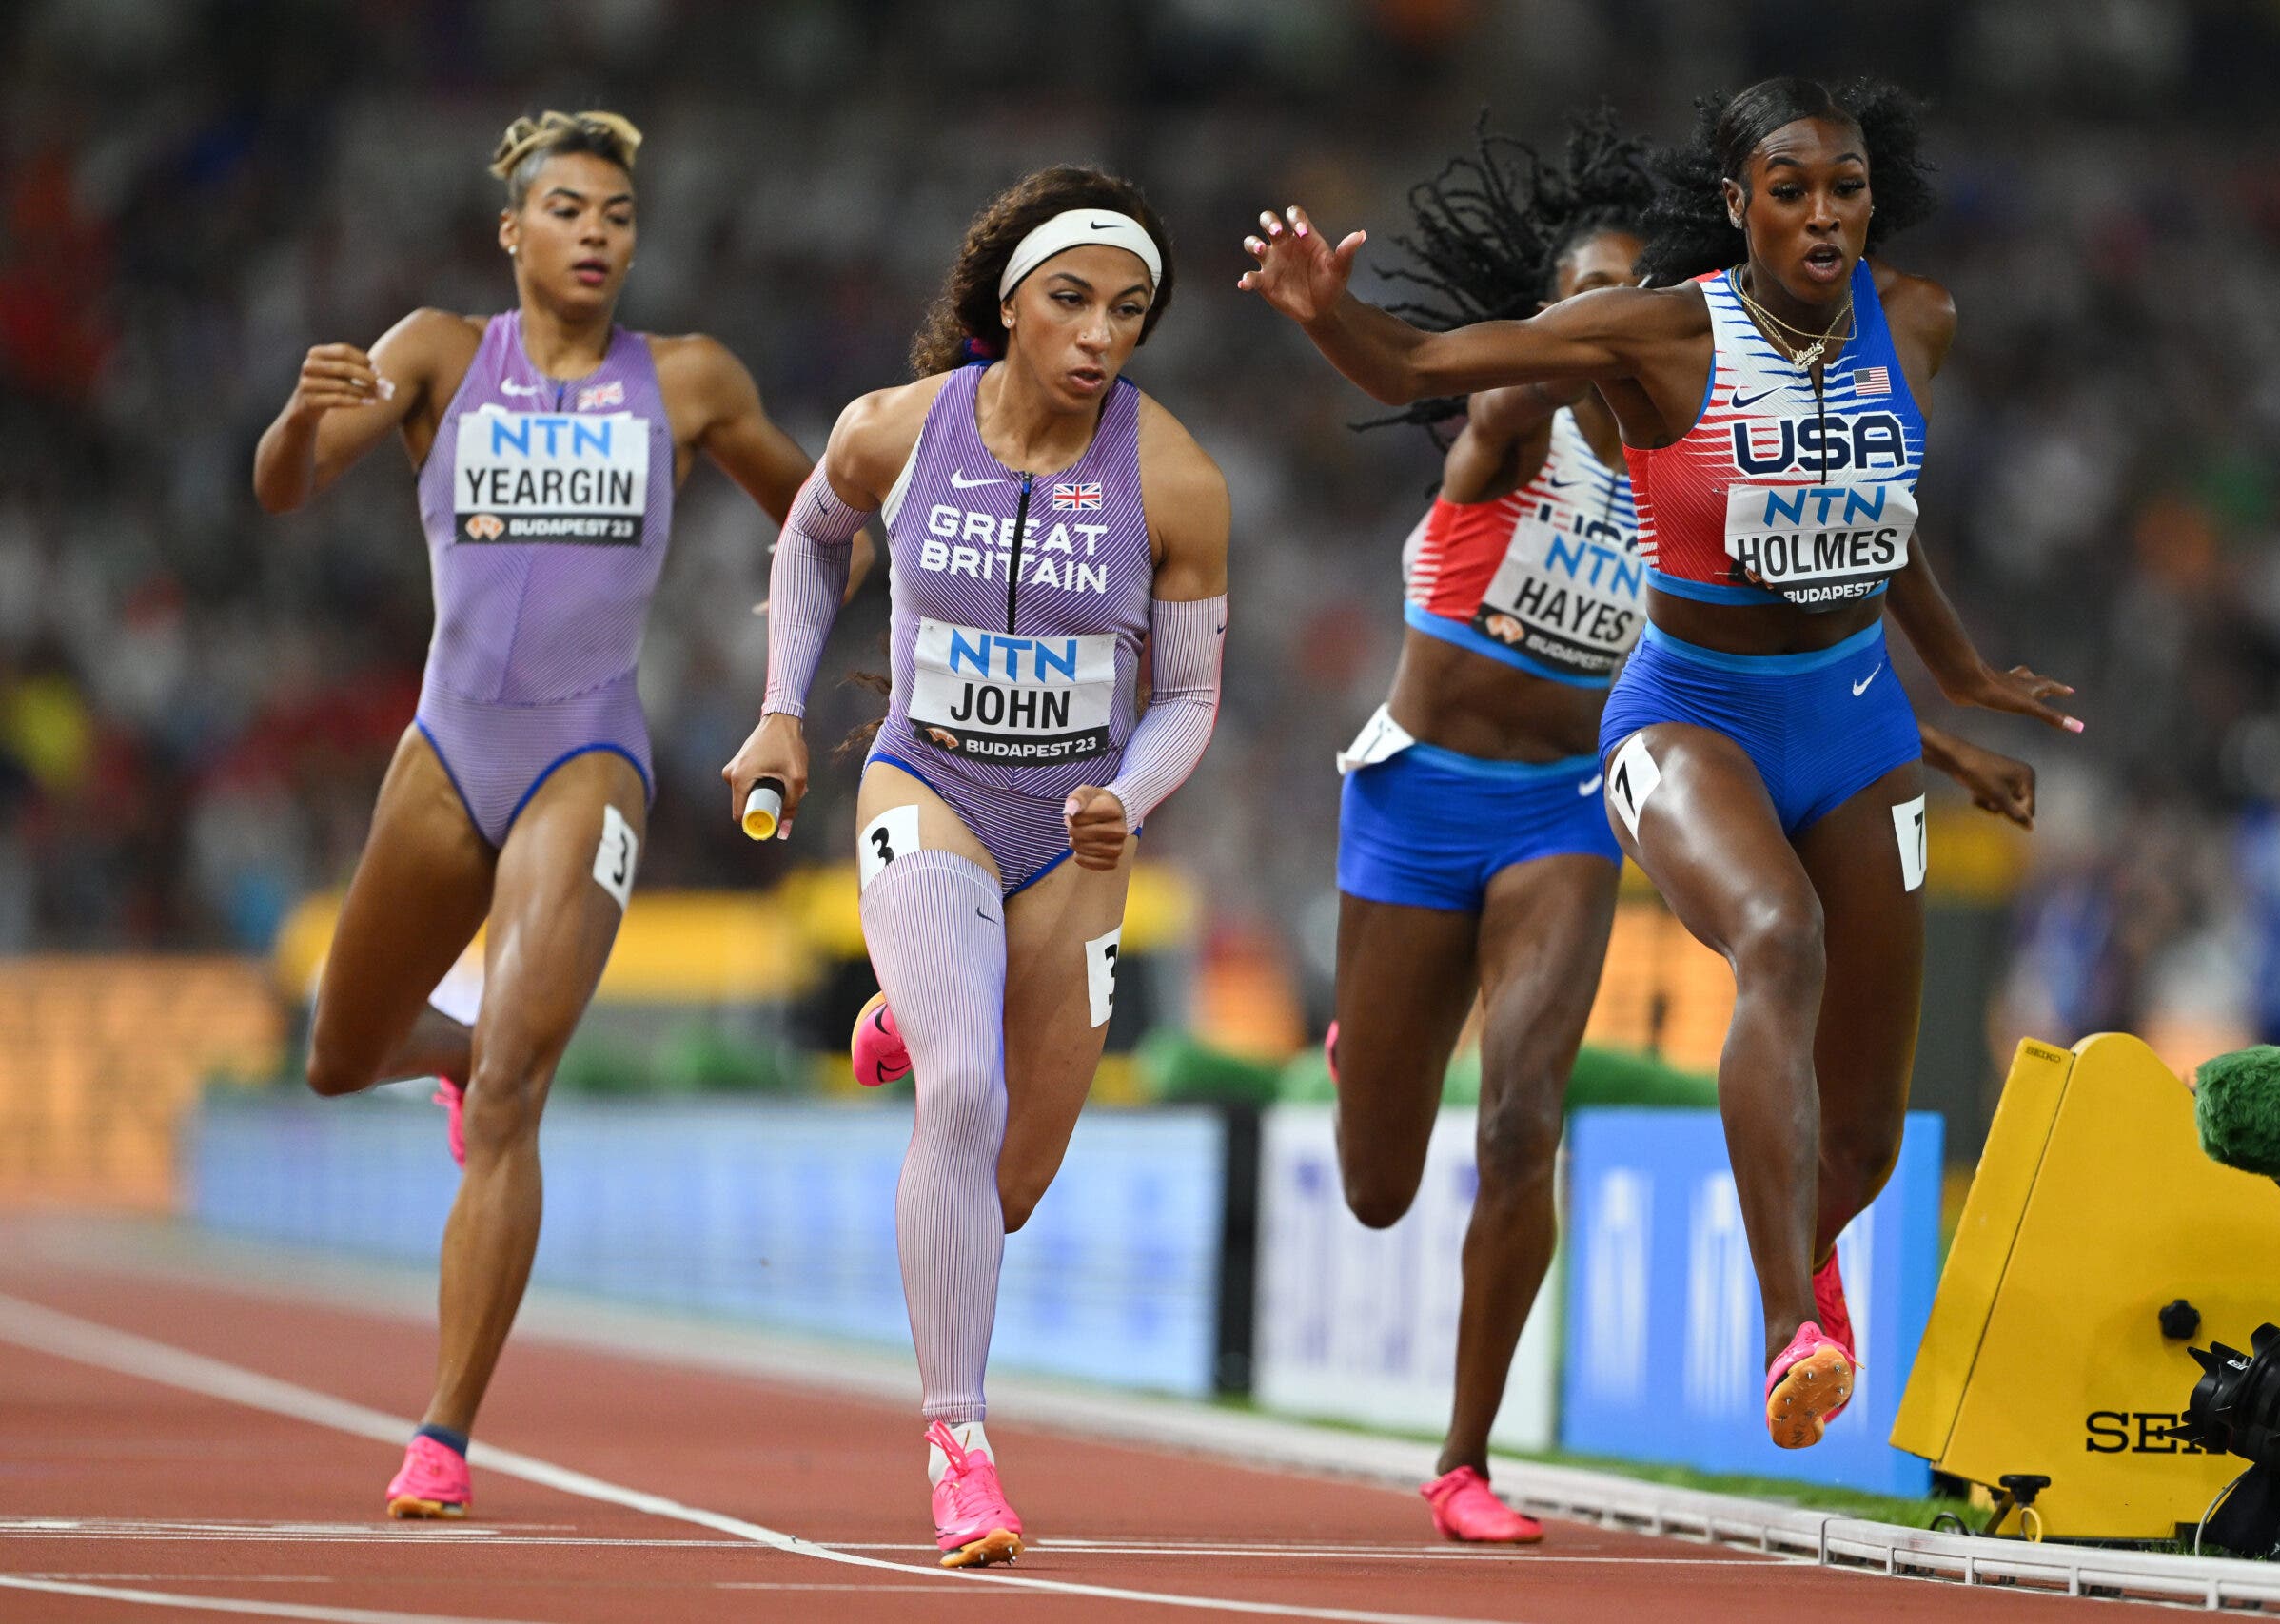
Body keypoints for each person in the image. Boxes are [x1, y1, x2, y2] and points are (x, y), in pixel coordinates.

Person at [1242, 76, 2075, 1452]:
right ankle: (1788, 1325)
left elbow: (1878, 514)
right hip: (1681, 716)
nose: (1823, 212)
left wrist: (1961, 681)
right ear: (1737, 204)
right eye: (1790, 187)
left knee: (1867, 1132)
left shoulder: (1914, 320)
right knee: (1776, 935)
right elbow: (1421, 372)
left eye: (1846, 186)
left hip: (1857, 720)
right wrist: (1329, 311)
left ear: (1877, 195)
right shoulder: (1651, 341)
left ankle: (1805, 1273)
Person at [252, 110, 846, 1518]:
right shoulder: (435, 354)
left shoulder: (688, 381)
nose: (598, 234)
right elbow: (285, 487)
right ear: (512, 232)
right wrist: (294, 411)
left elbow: (826, 522)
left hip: (590, 749)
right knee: (338, 1056)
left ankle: (442, 1433)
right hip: (446, 747)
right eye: (569, 210)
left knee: (521, 1085)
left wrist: (786, 677)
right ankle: (453, 1056)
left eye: (619, 215)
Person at [723, 165, 1228, 1568]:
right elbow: (811, 542)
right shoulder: (895, 430)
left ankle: (908, 998)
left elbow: (1187, 695)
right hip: (926, 784)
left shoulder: (1174, 474)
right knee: (963, 1084)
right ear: (1006, 304)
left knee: (1005, 1185)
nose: (1098, 336)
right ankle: (960, 1445)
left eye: (1130, 311)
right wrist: (781, 709)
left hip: (1073, 833)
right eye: (1070, 301)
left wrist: (1126, 796)